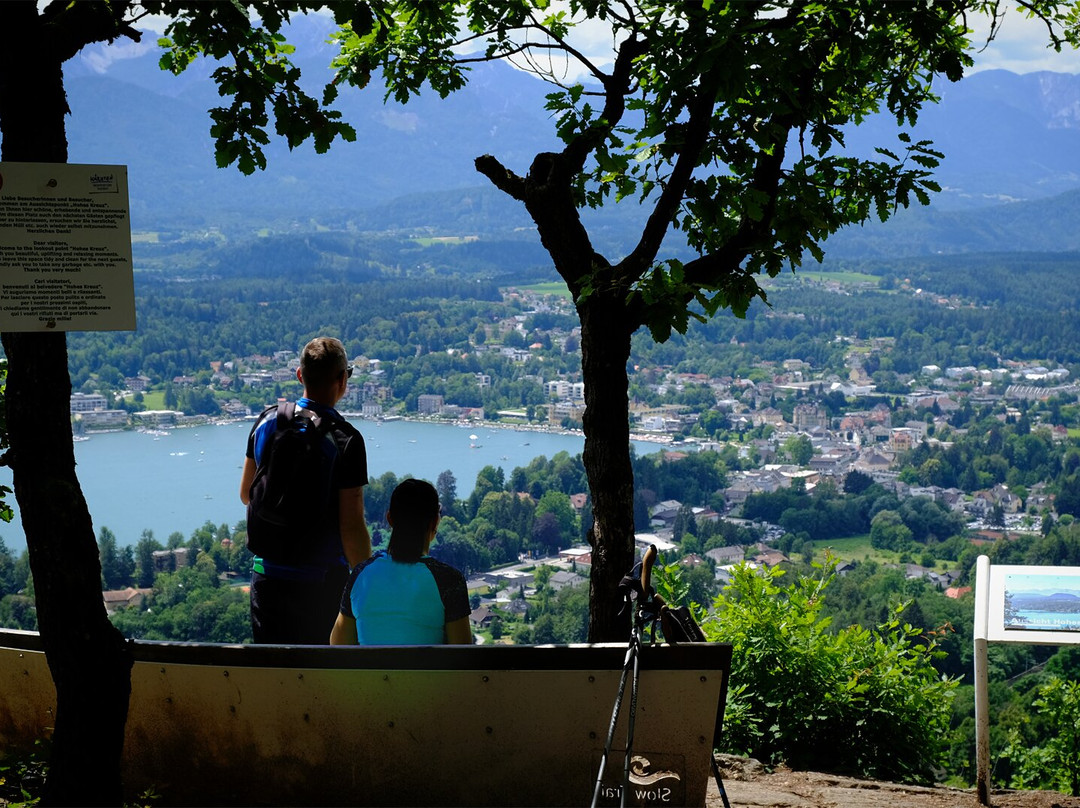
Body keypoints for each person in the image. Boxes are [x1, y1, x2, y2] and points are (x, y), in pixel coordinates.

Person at [240, 336, 371, 644]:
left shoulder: (268, 420)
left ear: (300, 375)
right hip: (321, 583)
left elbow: (247, 493)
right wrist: (366, 581)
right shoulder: (346, 440)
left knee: (274, 670)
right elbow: (351, 528)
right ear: (342, 380)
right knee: (318, 676)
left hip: (266, 578)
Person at [330, 478, 472, 645]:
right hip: (424, 672)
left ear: (390, 519)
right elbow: (462, 656)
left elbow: (338, 645)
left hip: (372, 672)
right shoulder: (449, 580)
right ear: (435, 522)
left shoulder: (361, 576)